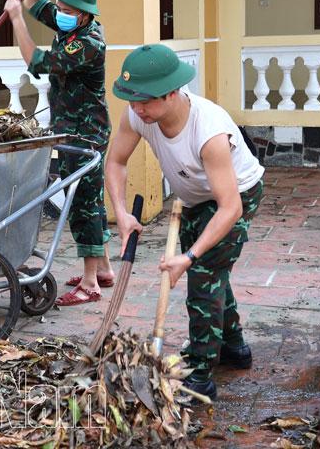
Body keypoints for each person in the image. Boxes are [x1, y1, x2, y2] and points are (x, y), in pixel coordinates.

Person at [104, 43, 265, 402]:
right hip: (195, 199)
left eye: (145, 101)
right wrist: (123, 213)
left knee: (203, 274)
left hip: (237, 196)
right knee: (213, 272)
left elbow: (230, 208)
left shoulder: (208, 130)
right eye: (131, 100)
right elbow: (115, 162)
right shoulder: (136, 116)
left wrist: (188, 256)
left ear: (173, 92)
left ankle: (201, 374)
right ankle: (234, 347)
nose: (137, 109)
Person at [3, 0, 113, 307]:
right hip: (72, 128)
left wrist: (17, 20)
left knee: (83, 203)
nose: (60, 13)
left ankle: (90, 283)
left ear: (83, 14)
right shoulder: (70, 26)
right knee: (89, 199)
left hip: (87, 133)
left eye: (67, 10)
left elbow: (36, 63)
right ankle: (104, 269)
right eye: (61, 8)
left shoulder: (87, 43)